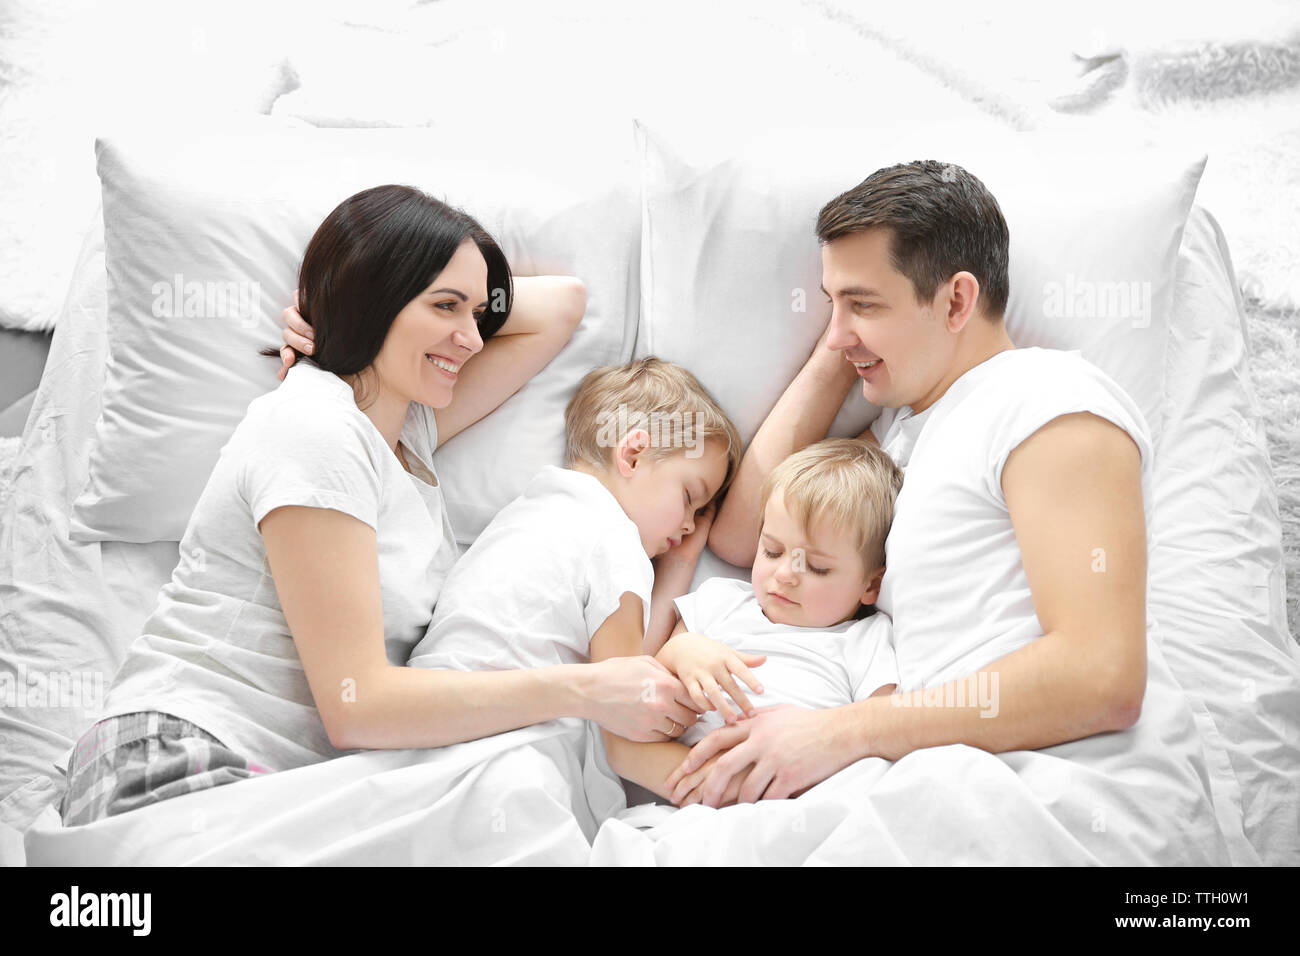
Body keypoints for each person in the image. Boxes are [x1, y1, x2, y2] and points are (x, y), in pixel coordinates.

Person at [57, 184, 689, 826]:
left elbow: (561, 306)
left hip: (285, 790)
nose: (472, 338)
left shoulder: (406, 435)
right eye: (446, 306)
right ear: (377, 296)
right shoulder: (315, 425)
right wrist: (585, 691)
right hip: (178, 754)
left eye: (476, 311)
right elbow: (356, 706)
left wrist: (388, 300)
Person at [670, 160, 1190, 819]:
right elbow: (744, 534)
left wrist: (838, 733)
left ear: (956, 302)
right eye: (831, 302)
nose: (833, 331)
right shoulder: (900, 439)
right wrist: (853, 345)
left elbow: (1102, 676)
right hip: (936, 790)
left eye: (863, 301)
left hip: (1057, 793)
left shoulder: (1050, 402)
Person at [405, 357, 741, 805]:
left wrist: (680, 562)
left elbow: (623, 667)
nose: (687, 526)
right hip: (501, 766)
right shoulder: (613, 538)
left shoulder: (530, 511)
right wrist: (739, 793)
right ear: (633, 454)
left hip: (421, 734)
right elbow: (627, 740)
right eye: (689, 498)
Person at [657, 438, 901, 805]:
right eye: (771, 550)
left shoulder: (865, 640)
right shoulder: (718, 601)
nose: (785, 574)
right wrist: (683, 649)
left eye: (817, 567)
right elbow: (651, 672)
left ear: (872, 584)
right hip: (681, 786)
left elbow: (878, 729)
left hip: (789, 801)